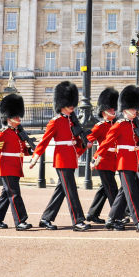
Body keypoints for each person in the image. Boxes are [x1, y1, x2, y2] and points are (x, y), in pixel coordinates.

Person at [31, 81, 90, 231]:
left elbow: (77, 142)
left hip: (71, 158)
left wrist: (84, 145)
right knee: (71, 190)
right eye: (69, 103)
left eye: (72, 103)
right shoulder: (55, 122)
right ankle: (78, 220)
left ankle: (46, 218)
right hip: (62, 159)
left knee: (61, 191)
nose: (72, 106)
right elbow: (44, 140)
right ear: (61, 103)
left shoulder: (72, 121)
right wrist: (36, 156)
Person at [95, 85, 139, 232]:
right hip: (124, 162)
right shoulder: (119, 125)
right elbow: (107, 142)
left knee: (124, 192)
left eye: (135, 109)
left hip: (133, 162)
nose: (134, 111)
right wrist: (97, 157)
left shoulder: (134, 125)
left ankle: (112, 219)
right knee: (132, 192)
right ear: (124, 110)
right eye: (132, 109)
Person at [0, 93, 33, 231]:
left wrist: (31, 152)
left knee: (6, 195)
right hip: (6, 168)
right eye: (16, 117)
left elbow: (21, 149)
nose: (19, 119)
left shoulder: (17, 132)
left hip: (16, 167)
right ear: (9, 118)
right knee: (14, 194)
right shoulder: (3, 133)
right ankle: (20, 221)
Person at [84, 87, 119, 224]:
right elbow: (90, 138)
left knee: (104, 189)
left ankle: (92, 213)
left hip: (113, 160)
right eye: (110, 110)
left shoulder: (115, 125)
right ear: (103, 112)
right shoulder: (100, 126)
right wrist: (88, 145)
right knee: (112, 188)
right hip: (103, 160)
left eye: (113, 109)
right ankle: (116, 215)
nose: (113, 111)